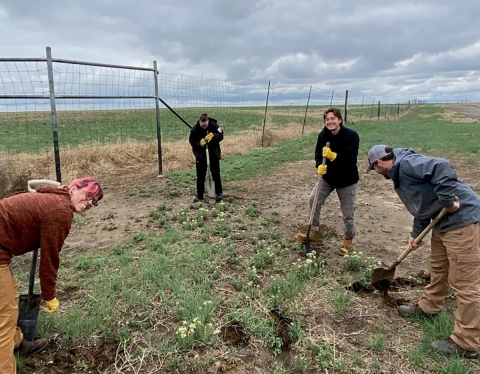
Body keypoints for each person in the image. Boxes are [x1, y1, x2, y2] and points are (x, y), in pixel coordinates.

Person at [366, 144, 480, 359]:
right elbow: (422, 205)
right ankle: (430, 307)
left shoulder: (407, 164)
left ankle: (465, 343)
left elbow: (443, 167)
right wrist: (415, 234)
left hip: (461, 222)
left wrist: (447, 201)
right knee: (438, 268)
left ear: (379, 162)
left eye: (374, 169)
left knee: (466, 283)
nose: (376, 173)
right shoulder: (401, 174)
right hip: (443, 224)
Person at [0, 177, 103, 373]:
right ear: (73, 187)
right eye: (88, 195)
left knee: (9, 295)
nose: (90, 203)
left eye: (95, 201)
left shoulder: (54, 197)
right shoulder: (60, 210)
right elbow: (50, 257)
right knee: (4, 318)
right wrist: (49, 295)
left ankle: (18, 344)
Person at [295, 107, 360, 256]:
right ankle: (315, 231)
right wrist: (319, 166)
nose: (330, 122)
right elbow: (318, 154)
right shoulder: (323, 135)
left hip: (347, 180)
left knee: (348, 213)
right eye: (327, 120)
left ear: (339, 120)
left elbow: (350, 160)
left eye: (333, 119)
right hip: (328, 177)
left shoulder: (351, 136)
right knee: (313, 199)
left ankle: (348, 239)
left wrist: (334, 156)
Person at [189, 113, 224, 203]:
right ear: (200, 122)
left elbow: (221, 135)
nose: (204, 127)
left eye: (206, 125)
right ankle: (199, 195)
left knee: (216, 173)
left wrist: (213, 135)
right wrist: (199, 143)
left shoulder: (214, 125)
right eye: (202, 125)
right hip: (200, 155)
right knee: (200, 176)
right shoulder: (195, 129)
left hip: (213, 152)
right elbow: (192, 142)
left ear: (208, 122)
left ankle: (219, 193)